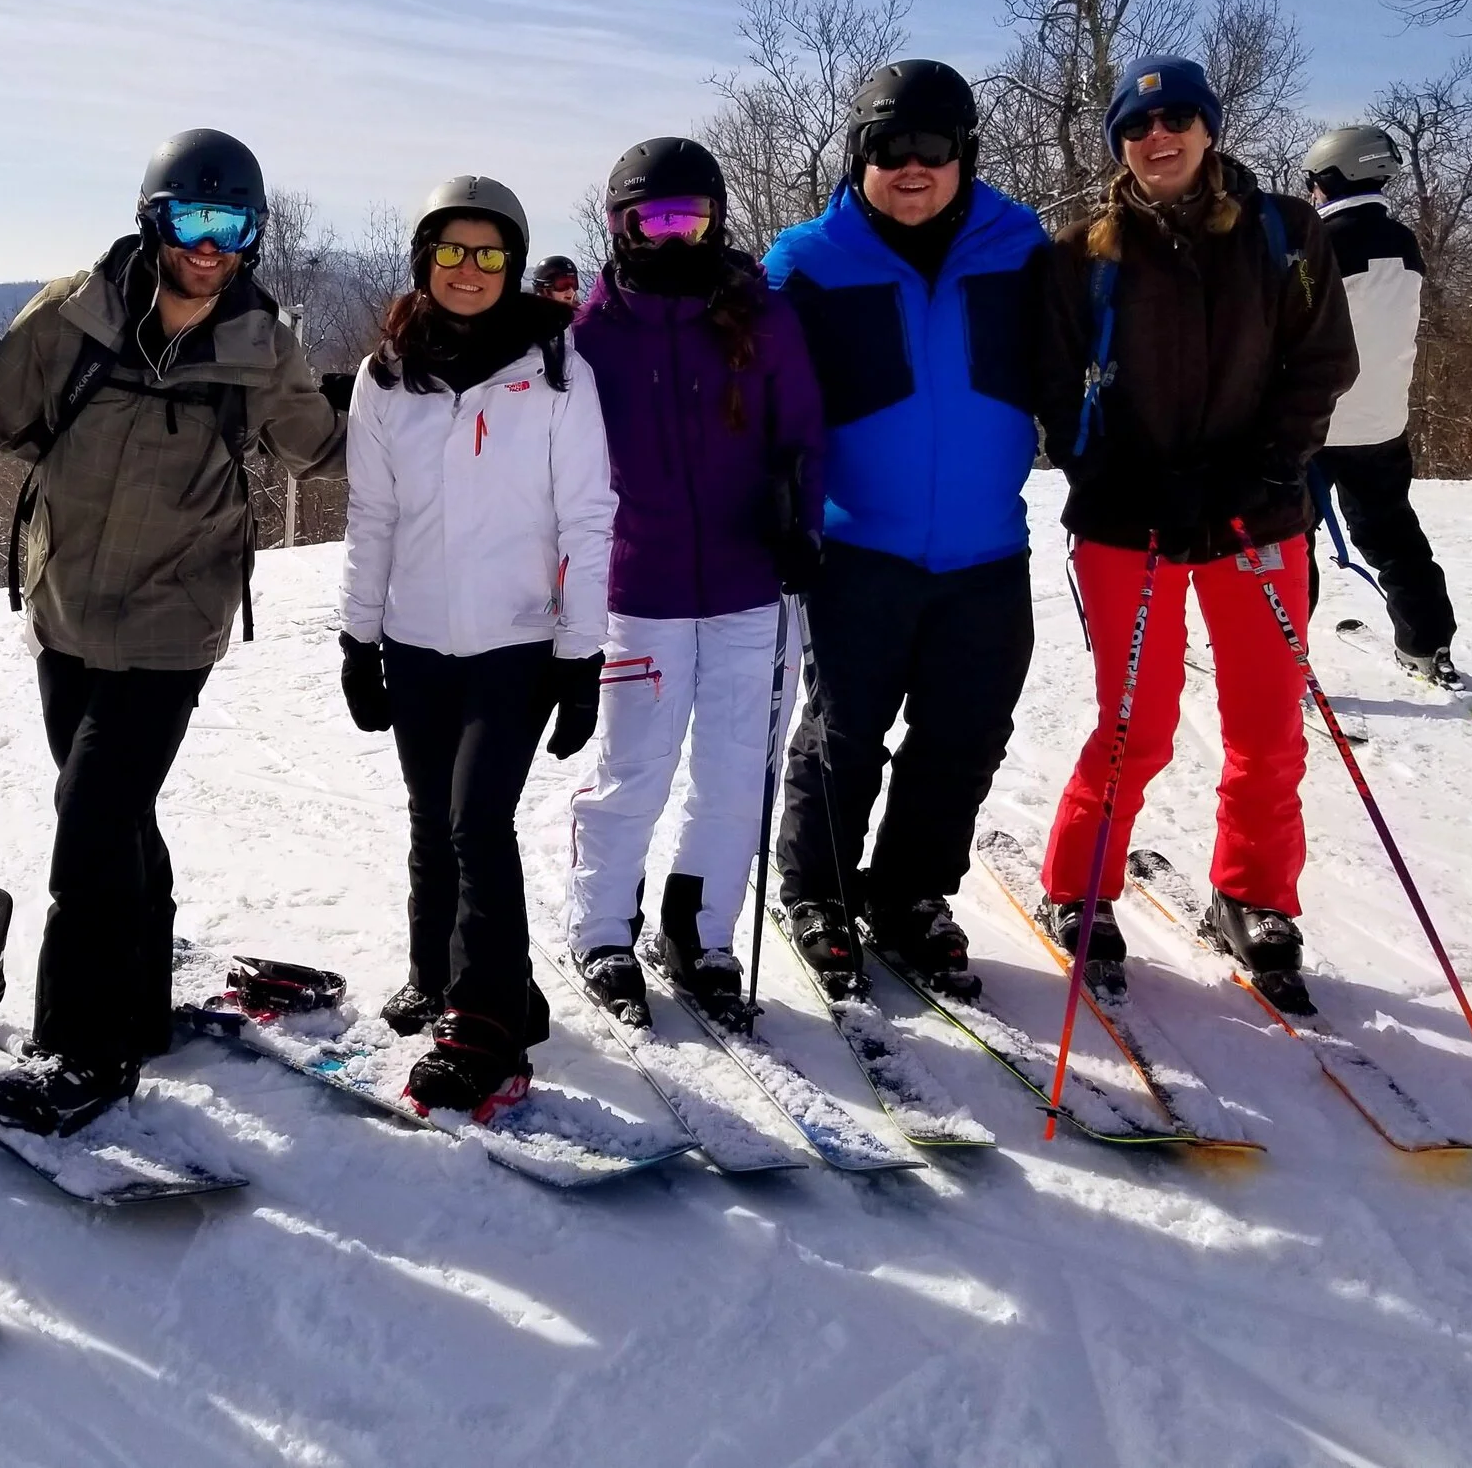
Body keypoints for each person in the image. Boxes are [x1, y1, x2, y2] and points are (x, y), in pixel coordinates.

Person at [0, 129, 346, 1133]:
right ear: (153, 220)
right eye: (191, 219)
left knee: (92, 817)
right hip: (67, 606)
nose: (209, 245)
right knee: (117, 811)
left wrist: (390, 393)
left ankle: (83, 1049)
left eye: (232, 225)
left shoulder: (260, 346)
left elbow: (318, 449)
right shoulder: (72, 315)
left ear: (253, 235)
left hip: (176, 618)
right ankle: (136, 1002)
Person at [1033, 57, 1357, 994]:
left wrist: (1269, 468)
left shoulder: (1283, 231)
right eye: (1137, 126)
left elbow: (1322, 360)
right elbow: (1053, 387)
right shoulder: (1082, 253)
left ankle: (1254, 892)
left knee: (1268, 721)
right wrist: (1112, 475)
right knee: (1137, 719)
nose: (1157, 136)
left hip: (1256, 512)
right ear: (1120, 145)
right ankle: (1079, 884)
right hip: (1128, 520)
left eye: (1176, 117)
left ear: (1210, 128)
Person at [762, 60, 1047, 999]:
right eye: (888, 147)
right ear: (860, 156)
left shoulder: (1021, 246)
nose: (911, 166)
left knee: (964, 735)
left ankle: (909, 893)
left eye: (932, 145)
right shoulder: (807, 261)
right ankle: (817, 892)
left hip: (987, 550)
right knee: (844, 733)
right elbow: (754, 396)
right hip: (857, 549)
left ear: (966, 153)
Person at [339, 177, 615, 1112]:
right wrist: (358, 638)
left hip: (517, 642)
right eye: (451, 251)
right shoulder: (386, 377)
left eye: (489, 253)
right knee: (431, 815)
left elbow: (588, 517)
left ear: (513, 264)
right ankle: (441, 975)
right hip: (416, 638)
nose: (469, 269)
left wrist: (581, 655)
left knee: (475, 820)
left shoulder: (558, 369)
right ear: (425, 260)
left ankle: (488, 1023)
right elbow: (372, 517)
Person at [565, 137, 825, 1026]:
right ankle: (604, 929)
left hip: (753, 583)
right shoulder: (590, 339)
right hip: (642, 592)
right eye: (654, 219)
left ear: (716, 220)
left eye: (691, 217)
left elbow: (804, 433)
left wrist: (803, 525)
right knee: (633, 768)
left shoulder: (762, 317)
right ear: (620, 226)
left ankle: (701, 930)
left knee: (735, 770)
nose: (674, 236)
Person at [1302, 123, 1463, 684]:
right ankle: (1428, 644)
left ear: (1330, 177)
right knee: (1393, 534)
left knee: (1288, 541)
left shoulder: (1317, 243)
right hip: (1382, 422)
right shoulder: (1404, 242)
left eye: (1313, 181)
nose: (1311, 192)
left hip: (1315, 424)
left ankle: (1278, 654)